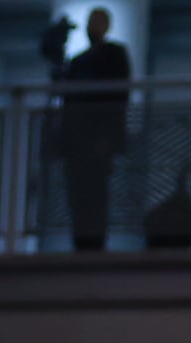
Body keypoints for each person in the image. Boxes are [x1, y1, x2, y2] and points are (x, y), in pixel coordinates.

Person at [58, 7, 135, 251]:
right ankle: (80, 240)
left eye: (99, 22)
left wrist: (109, 135)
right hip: (76, 139)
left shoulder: (115, 54)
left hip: (99, 136)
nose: (94, 27)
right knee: (77, 192)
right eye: (92, 22)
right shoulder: (78, 61)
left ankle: (96, 240)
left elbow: (119, 93)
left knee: (97, 192)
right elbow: (67, 97)